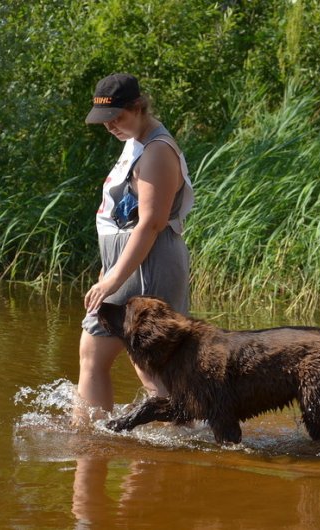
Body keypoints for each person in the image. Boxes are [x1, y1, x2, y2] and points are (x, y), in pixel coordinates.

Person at [76, 73, 194, 418]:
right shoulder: (135, 141)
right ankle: (97, 445)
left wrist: (112, 280)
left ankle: (93, 445)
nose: (110, 125)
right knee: (111, 359)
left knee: (145, 366)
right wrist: (106, 271)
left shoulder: (157, 150)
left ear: (138, 107)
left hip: (147, 266)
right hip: (129, 266)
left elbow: (151, 224)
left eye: (117, 117)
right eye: (104, 120)